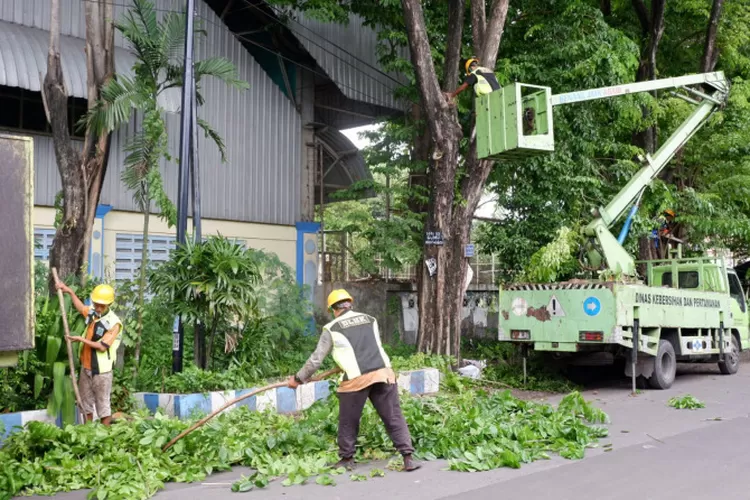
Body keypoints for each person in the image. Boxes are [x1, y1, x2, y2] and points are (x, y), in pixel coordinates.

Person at [287, 289, 421, 472]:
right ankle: (408, 457)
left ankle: (347, 458)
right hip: (383, 373)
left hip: (356, 379)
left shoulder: (332, 328)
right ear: (350, 303)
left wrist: (297, 378)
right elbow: (368, 346)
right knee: (393, 416)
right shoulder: (370, 319)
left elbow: (316, 359)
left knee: (348, 420)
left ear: (333, 309)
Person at [55, 282, 123, 426]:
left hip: (102, 371)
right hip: (86, 367)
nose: (98, 307)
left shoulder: (114, 323)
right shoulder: (93, 313)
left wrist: (81, 339)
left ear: (109, 304)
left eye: (101, 305)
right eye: (96, 303)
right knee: (85, 403)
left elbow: (102, 347)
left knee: (103, 405)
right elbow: (81, 308)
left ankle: (105, 435)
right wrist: (70, 292)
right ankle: (88, 432)